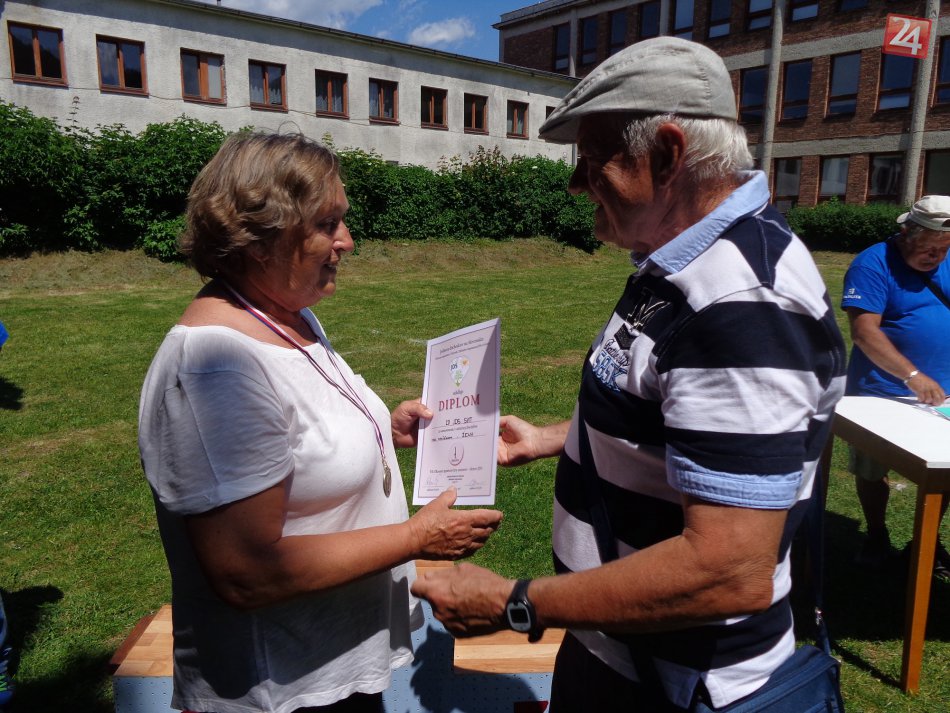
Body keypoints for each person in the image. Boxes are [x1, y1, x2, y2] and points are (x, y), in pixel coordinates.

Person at [411, 37, 846, 711]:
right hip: (618, 650)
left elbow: (727, 570)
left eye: (592, 161)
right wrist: (553, 437)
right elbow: (675, 413)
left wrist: (515, 602)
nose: (576, 185)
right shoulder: (679, 262)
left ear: (668, 155)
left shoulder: (743, 305)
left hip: (675, 682)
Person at [137, 132, 503, 713]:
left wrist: (383, 430)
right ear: (261, 238)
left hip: (334, 669)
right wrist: (417, 538)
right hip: (280, 690)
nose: (347, 241)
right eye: (327, 224)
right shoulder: (215, 368)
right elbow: (247, 573)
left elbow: (299, 439)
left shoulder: (287, 315)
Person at [841, 195, 950, 575]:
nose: (937, 257)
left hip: (944, 393)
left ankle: (926, 542)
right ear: (906, 233)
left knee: (944, 470)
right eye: (929, 249)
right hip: (880, 392)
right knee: (872, 470)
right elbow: (864, 333)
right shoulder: (872, 263)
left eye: (944, 249)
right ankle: (876, 534)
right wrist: (913, 376)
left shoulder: (947, 257)